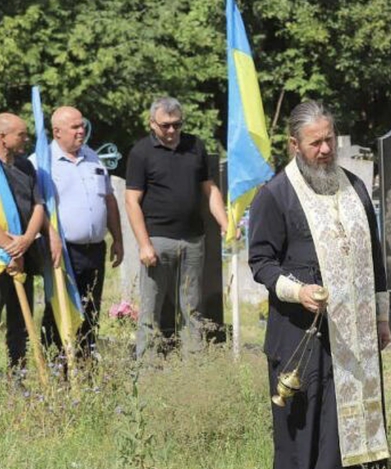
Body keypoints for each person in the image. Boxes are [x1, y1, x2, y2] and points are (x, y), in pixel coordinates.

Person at [249, 101, 391, 469]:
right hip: (300, 329)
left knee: (339, 415)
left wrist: (381, 318)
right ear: (295, 144)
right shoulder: (275, 195)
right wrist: (298, 291)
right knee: (303, 417)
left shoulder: (354, 186)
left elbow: (373, 255)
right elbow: (261, 262)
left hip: (353, 327)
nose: (326, 149)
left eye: (329, 139)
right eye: (316, 143)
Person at [125, 97, 228, 359]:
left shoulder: (195, 146)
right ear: (152, 123)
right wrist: (144, 244)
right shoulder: (141, 152)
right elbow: (132, 201)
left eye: (177, 125)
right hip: (158, 241)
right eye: (165, 126)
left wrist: (226, 223)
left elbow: (210, 189)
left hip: (193, 240)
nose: (172, 131)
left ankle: (193, 364)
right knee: (151, 309)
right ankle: (147, 367)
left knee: (192, 308)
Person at [38, 106, 124, 358]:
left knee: (91, 308)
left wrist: (118, 239)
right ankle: (57, 366)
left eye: (82, 125)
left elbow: (108, 200)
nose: (81, 130)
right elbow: (36, 206)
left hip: (95, 249)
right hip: (62, 250)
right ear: (57, 132)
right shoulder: (42, 162)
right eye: (74, 127)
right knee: (61, 310)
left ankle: (86, 365)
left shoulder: (92, 158)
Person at [0, 113, 47, 371]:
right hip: (3, 255)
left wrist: (26, 240)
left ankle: (17, 376)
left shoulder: (25, 166)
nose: (26, 138)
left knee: (20, 320)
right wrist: (9, 247)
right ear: (3, 138)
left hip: (22, 254)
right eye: (21, 134)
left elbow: (38, 203)